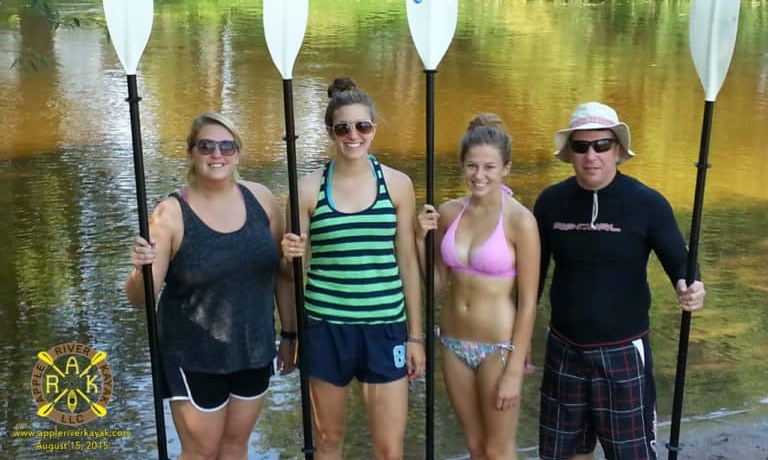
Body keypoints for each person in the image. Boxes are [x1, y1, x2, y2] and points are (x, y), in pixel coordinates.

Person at [534, 101, 707, 460]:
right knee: (562, 453)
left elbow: (681, 262)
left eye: (601, 145)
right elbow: (533, 279)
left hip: (623, 352)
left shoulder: (647, 204)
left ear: (618, 151)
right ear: (570, 153)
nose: (591, 155)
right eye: (581, 147)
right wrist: (513, 341)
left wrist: (691, 287)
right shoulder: (550, 203)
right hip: (563, 348)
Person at [125, 112, 296, 460]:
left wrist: (290, 335)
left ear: (237, 153)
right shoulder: (169, 214)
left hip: (254, 349)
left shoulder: (262, 200)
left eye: (226, 146)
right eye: (206, 146)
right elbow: (140, 298)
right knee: (201, 451)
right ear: (191, 154)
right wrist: (139, 269)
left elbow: (280, 273)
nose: (217, 154)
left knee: (235, 447)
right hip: (193, 355)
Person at [280, 77, 426, 460]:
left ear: (374, 128)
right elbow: (289, 269)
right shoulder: (308, 189)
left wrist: (416, 336)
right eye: (343, 127)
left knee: (390, 449)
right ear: (330, 132)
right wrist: (288, 252)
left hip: (385, 326)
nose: (353, 135)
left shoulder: (397, 185)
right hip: (327, 327)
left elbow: (408, 263)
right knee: (328, 441)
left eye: (362, 126)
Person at [416, 113, 541, 460]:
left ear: (506, 169)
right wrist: (419, 239)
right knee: (474, 447)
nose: (479, 175)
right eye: (472, 166)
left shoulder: (521, 221)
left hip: (497, 348)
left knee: (498, 449)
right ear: (463, 166)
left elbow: (529, 302)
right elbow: (436, 286)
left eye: (489, 167)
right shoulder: (448, 213)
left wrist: (515, 370)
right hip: (453, 341)